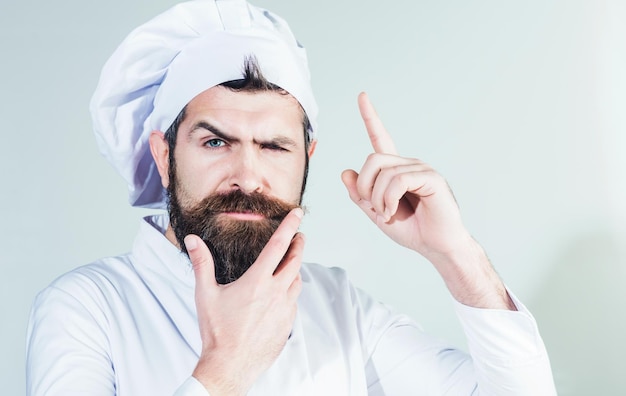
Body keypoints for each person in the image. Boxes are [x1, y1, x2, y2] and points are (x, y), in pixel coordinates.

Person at [26, 1, 556, 395]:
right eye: (215, 142)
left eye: (275, 146)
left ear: (307, 158)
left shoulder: (337, 305)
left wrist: (455, 254)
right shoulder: (85, 308)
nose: (248, 176)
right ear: (164, 156)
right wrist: (228, 363)